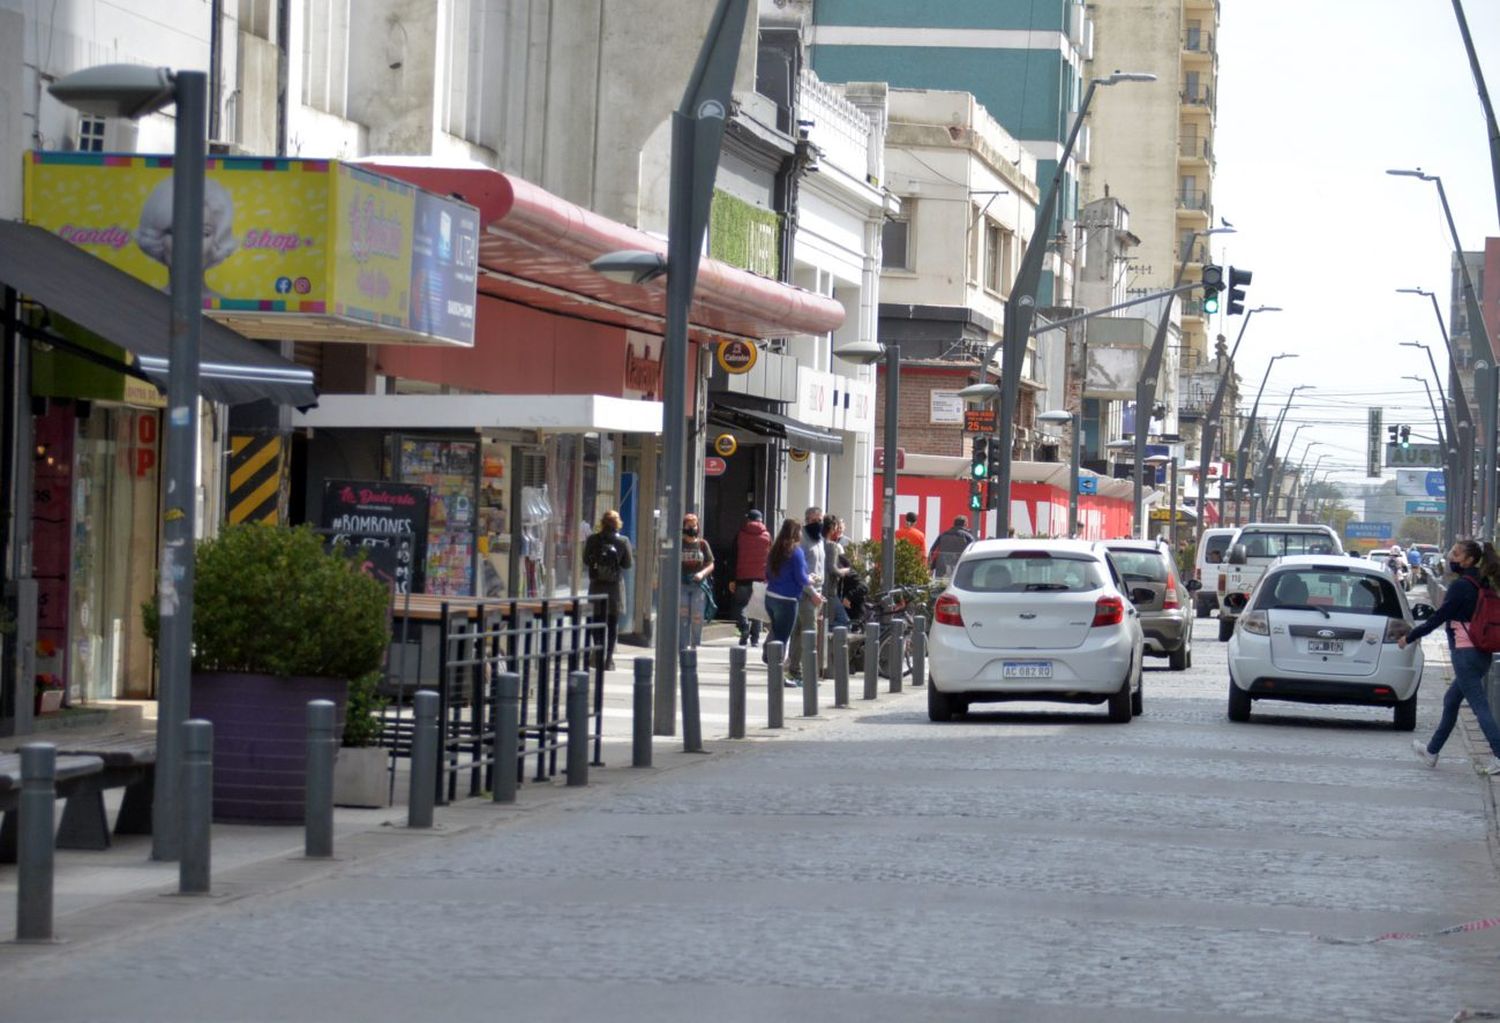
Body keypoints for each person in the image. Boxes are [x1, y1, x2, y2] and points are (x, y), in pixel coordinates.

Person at [1401, 539, 1500, 775]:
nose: (1451, 558)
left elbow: (1439, 617)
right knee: (1451, 700)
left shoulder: (1461, 586)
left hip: (1465, 653)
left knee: (1479, 706)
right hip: (1482, 654)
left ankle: (1498, 755)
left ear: (1469, 560)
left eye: (1456, 554)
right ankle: (1432, 751)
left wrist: (1411, 636)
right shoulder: (1484, 582)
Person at [764, 517, 822, 685]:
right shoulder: (795, 551)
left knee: (776, 633)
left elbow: (767, 574)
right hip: (787, 600)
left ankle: (772, 667)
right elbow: (801, 577)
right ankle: (777, 676)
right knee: (783, 639)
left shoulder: (775, 549)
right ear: (796, 533)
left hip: (771, 597)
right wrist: (811, 579)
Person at [583, 510, 633, 671]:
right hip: (615, 588)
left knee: (595, 622)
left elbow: (585, 559)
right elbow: (627, 565)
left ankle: (597, 654)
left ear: (602, 522)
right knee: (612, 624)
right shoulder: (623, 541)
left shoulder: (593, 539)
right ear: (618, 523)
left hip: (596, 586)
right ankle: (609, 660)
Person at [787, 506, 825, 682]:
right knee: (810, 633)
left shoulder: (819, 539)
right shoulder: (802, 540)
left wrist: (820, 593)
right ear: (807, 520)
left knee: (800, 633)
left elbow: (818, 568)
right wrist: (812, 593)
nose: (819, 523)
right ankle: (806, 673)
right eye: (816, 520)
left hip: (816, 592)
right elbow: (799, 570)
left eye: (821, 519)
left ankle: (795, 669)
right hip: (805, 593)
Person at [728, 510, 771, 647]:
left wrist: (732, 578)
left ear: (748, 519)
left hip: (742, 578)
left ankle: (744, 627)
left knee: (741, 605)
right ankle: (755, 638)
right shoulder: (767, 536)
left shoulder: (740, 535)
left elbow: (733, 557)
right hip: (760, 578)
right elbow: (770, 558)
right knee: (757, 608)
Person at [679, 512, 714, 649]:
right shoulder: (679, 543)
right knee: (683, 614)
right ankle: (682, 644)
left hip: (698, 585)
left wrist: (702, 573)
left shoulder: (702, 544)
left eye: (694, 526)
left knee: (697, 615)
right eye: (689, 526)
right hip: (682, 583)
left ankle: (695, 644)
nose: (692, 528)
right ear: (684, 527)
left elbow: (711, 563)